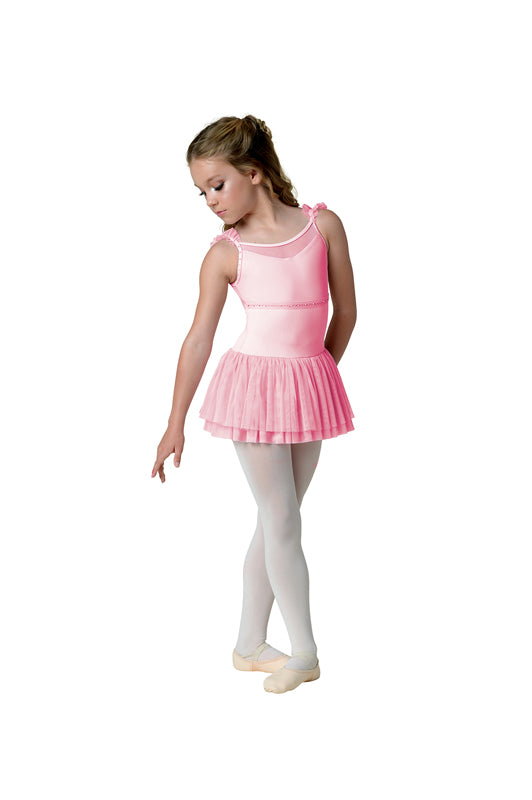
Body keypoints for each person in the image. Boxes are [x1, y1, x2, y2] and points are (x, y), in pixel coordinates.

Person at [151, 115, 357, 694]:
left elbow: (346, 312)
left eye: (217, 185)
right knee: (282, 517)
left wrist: (318, 376)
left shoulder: (323, 226)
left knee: (277, 520)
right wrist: (174, 423)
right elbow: (198, 339)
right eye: (202, 192)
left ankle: (248, 644)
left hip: (308, 385)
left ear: (255, 172)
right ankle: (305, 653)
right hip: (253, 389)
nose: (210, 201)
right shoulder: (226, 253)